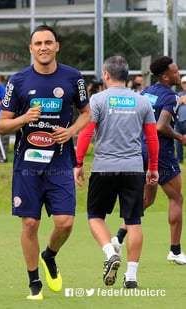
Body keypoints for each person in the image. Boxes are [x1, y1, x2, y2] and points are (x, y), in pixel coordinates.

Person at [0, 24, 91, 300]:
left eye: (48, 42)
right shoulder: (18, 81)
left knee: (65, 223)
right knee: (30, 224)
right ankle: (34, 282)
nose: (43, 47)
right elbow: (2, 126)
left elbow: (86, 113)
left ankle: (49, 255)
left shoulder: (73, 78)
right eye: (38, 43)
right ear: (31, 49)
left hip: (60, 163)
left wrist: (71, 131)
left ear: (57, 46)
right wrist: (23, 119)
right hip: (27, 165)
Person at [74, 56, 159, 289]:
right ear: (127, 75)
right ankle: (131, 277)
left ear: (106, 75)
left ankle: (110, 252)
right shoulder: (141, 101)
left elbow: (86, 133)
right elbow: (151, 138)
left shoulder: (98, 99)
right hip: (133, 169)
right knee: (134, 221)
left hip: (104, 168)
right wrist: (152, 167)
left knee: (95, 216)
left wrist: (78, 162)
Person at [112, 56, 186, 265]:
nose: (177, 74)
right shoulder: (170, 97)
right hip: (160, 152)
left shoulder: (145, 92)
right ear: (165, 76)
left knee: (147, 200)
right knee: (176, 199)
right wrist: (181, 138)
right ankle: (175, 250)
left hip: (139, 148)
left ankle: (118, 238)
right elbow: (161, 126)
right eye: (174, 71)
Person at [174, 75, 186, 163]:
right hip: (179, 121)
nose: (185, 85)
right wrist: (180, 102)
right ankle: (179, 159)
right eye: (184, 83)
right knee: (178, 141)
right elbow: (173, 107)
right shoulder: (178, 95)